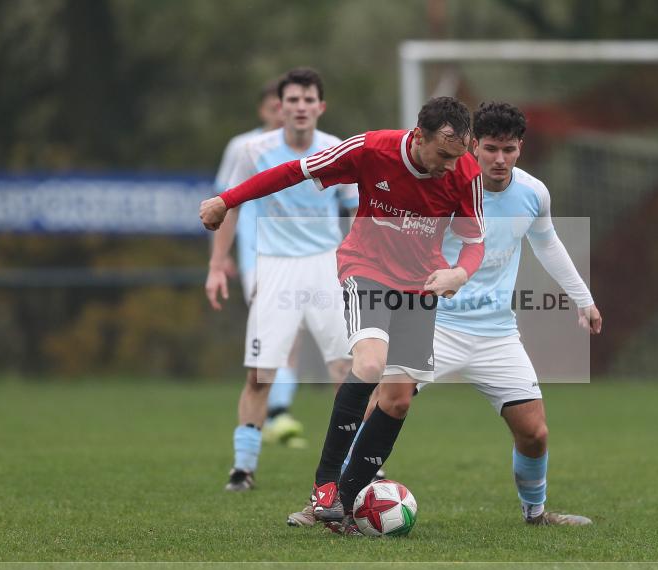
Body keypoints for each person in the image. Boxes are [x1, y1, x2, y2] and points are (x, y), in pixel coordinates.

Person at [201, 96, 485, 533]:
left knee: (398, 399)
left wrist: (459, 274)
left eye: (458, 156)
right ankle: (324, 487)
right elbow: (294, 172)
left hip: (422, 284)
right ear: (419, 135)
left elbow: (474, 239)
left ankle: (341, 507)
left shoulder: (465, 171)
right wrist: (227, 199)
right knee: (368, 364)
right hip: (366, 270)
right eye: (443, 155)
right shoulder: (371, 150)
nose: (450, 165)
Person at [422, 101, 601, 525]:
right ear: (472, 147)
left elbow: (547, 244)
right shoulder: (446, 186)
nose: (499, 159)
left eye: (509, 149)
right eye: (489, 149)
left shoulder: (533, 193)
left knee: (534, 433)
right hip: (434, 324)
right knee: (383, 406)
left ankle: (535, 514)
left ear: (520, 147)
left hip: (496, 333)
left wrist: (583, 298)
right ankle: (335, 500)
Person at [205, 67, 356, 492]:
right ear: (280, 107)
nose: (301, 107)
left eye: (309, 100)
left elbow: (357, 208)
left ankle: (359, 464)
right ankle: (243, 468)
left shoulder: (337, 149)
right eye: (293, 100)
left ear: (320, 107)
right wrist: (218, 265)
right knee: (260, 374)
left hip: (327, 266)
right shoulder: (253, 150)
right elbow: (229, 206)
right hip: (274, 266)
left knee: (347, 370)